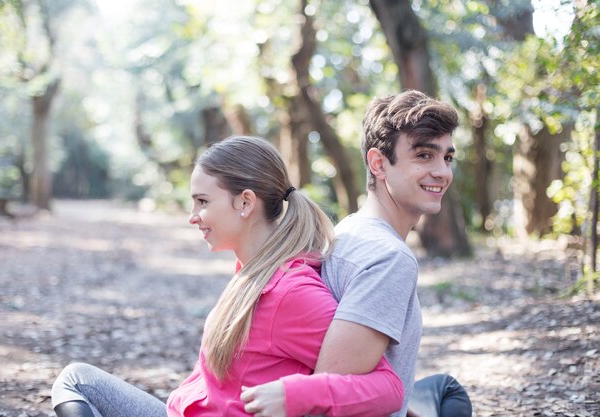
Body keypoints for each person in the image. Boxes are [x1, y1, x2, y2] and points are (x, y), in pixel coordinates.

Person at [51, 136, 404, 417]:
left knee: (77, 380)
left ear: (245, 203)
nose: (193, 216)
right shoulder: (253, 272)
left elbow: (389, 388)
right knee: (77, 380)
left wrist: (293, 394)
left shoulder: (289, 292)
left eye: (202, 201)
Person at [241, 90, 472, 417]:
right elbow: (332, 391)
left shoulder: (347, 230)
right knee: (449, 396)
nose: (442, 172)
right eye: (423, 156)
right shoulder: (389, 259)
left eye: (447, 158)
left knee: (444, 388)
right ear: (378, 163)